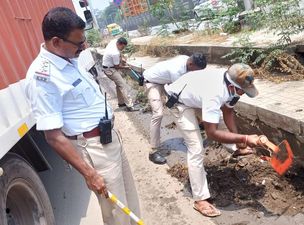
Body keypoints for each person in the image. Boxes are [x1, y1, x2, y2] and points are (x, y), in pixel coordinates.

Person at [24, 7, 140, 225]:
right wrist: (90, 173)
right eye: (79, 43)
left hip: (109, 139)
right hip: (95, 150)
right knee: (117, 214)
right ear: (56, 42)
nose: (84, 46)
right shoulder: (43, 77)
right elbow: (53, 137)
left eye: (84, 40)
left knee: (130, 203)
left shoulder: (69, 60)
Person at [164, 63, 261, 217]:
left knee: (220, 120)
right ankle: (200, 199)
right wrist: (246, 138)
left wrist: (240, 143)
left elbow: (228, 111)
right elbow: (212, 133)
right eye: (242, 91)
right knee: (196, 148)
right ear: (232, 86)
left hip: (195, 96)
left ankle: (236, 149)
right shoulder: (214, 93)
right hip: (179, 101)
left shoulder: (231, 86)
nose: (243, 94)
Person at [143, 53, 207, 164]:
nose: (196, 73)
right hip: (152, 82)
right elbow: (184, 93)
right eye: (196, 70)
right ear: (191, 64)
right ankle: (153, 151)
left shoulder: (186, 59)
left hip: (165, 80)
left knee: (192, 100)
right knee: (158, 114)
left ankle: (202, 124)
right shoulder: (176, 71)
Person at [102, 37, 137, 111]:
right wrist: (126, 67)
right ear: (119, 44)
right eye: (122, 47)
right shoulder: (115, 53)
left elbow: (120, 53)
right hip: (110, 70)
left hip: (108, 67)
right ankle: (130, 106)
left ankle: (121, 103)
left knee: (119, 85)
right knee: (123, 85)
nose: (123, 49)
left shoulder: (114, 41)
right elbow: (117, 66)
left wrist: (121, 57)